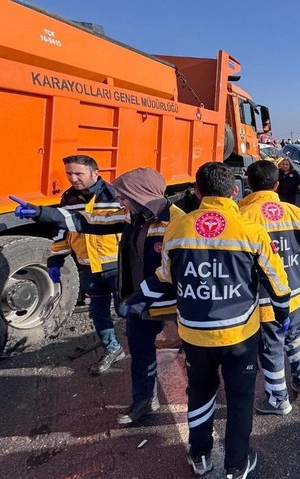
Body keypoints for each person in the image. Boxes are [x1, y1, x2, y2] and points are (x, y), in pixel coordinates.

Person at [13, 167, 184, 425]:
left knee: (195, 355)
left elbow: (172, 270)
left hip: (172, 302)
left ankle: (202, 402)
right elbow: (90, 221)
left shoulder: (178, 222)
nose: (120, 201)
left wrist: (140, 297)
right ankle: (144, 401)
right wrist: (41, 213)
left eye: (124, 196)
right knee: (140, 353)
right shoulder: (131, 216)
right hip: (141, 301)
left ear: (142, 194)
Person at [153, 162, 291, 478]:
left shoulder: (178, 228)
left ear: (198, 192)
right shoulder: (250, 230)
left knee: (200, 392)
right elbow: (278, 282)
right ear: (233, 192)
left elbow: (166, 275)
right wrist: (280, 314)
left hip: (195, 333)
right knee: (240, 398)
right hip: (240, 334)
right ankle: (237, 464)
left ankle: (200, 456)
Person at [239, 160, 300, 415]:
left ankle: (277, 400)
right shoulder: (297, 214)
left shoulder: (242, 217)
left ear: (248, 185)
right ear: (276, 185)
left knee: (271, 347)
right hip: (296, 291)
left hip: (266, 300)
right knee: (295, 338)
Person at [47, 155, 123, 375]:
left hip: (115, 266)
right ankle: (113, 349)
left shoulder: (113, 195)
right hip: (89, 267)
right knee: (98, 313)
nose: (73, 178)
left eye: (78, 173)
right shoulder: (68, 199)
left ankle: (143, 347)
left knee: (125, 310)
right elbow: (62, 230)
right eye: (69, 173)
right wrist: (55, 259)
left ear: (95, 173)